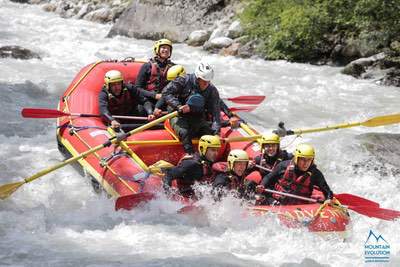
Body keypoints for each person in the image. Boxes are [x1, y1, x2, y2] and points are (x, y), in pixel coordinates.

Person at [163, 61, 221, 155]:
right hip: (178, 115)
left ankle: (206, 160)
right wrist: (178, 106)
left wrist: (216, 133)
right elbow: (166, 92)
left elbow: (216, 112)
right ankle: (190, 156)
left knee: (208, 135)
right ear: (198, 78)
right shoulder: (183, 80)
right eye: (204, 81)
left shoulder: (211, 90)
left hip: (197, 116)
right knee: (184, 132)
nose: (206, 84)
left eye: (208, 81)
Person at [256, 143, 333, 205]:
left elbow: (327, 191)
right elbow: (269, 177)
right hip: (278, 200)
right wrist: (262, 185)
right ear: (296, 159)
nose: (306, 163)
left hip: (299, 207)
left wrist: (329, 199)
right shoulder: (283, 166)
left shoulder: (315, 174)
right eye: (303, 159)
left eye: (309, 160)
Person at [135, 38, 175, 115]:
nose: (166, 50)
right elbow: (137, 88)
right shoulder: (147, 66)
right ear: (157, 49)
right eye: (163, 48)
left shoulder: (173, 67)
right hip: (149, 99)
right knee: (140, 109)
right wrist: (154, 95)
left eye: (168, 48)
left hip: (166, 100)